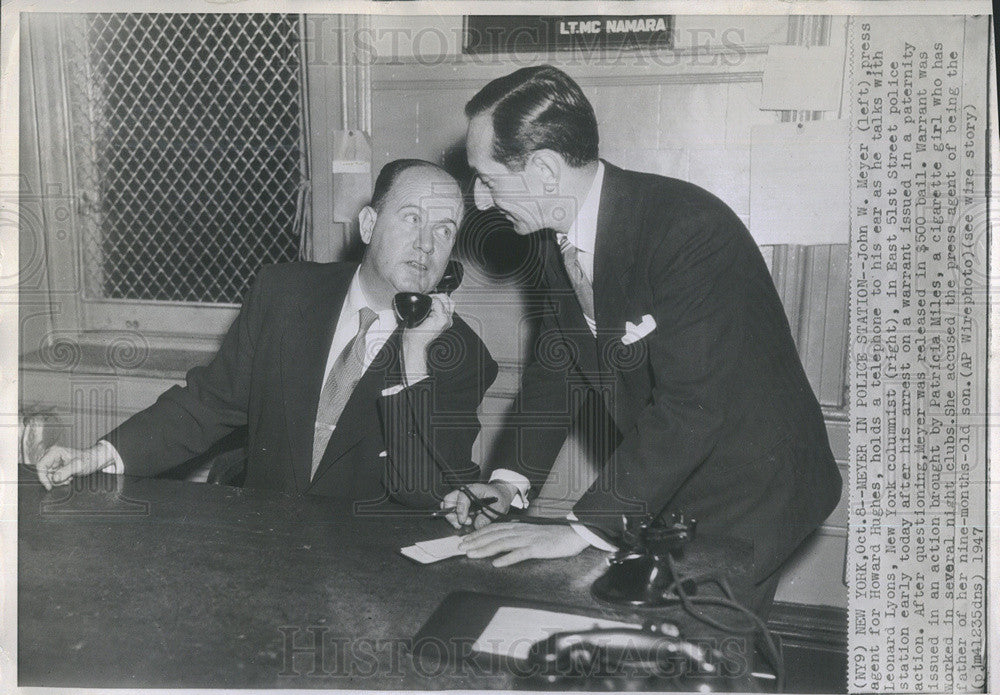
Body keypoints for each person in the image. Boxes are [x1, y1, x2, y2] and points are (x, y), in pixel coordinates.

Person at [443, 65, 842, 614]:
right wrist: (509, 484)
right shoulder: (547, 233)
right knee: (645, 641)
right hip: (676, 473)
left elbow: (691, 408)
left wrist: (580, 528)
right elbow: (557, 366)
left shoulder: (687, 229)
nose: (481, 201)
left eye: (487, 178)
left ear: (543, 169)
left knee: (697, 645)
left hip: (756, 486)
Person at [38, 159, 498, 509]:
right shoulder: (284, 293)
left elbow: (424, 492)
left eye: (444, 230)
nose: (426, 245)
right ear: (369, 225)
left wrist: (416, 355)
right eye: (412, 219)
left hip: (374, 574)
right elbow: (208, 403)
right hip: (266, 549)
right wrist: (102, 453)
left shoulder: (461, 355)